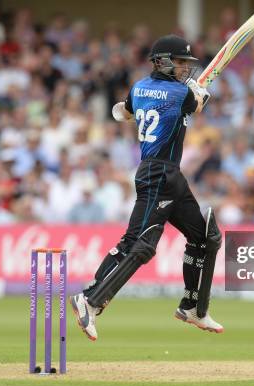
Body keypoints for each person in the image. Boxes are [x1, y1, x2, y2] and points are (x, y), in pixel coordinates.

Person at [70, 35, 224, 341]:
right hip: (158, 174)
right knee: (140, 245)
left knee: (206, 237)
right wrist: (196, 92)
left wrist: (192, 92)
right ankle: (90, 299)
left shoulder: (139, 87)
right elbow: (195, 104)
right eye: (180, 63)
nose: (185, 69)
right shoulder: (180, 93)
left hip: (170, 175)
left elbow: (123, 111)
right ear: (163, 61)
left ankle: (193, 306)